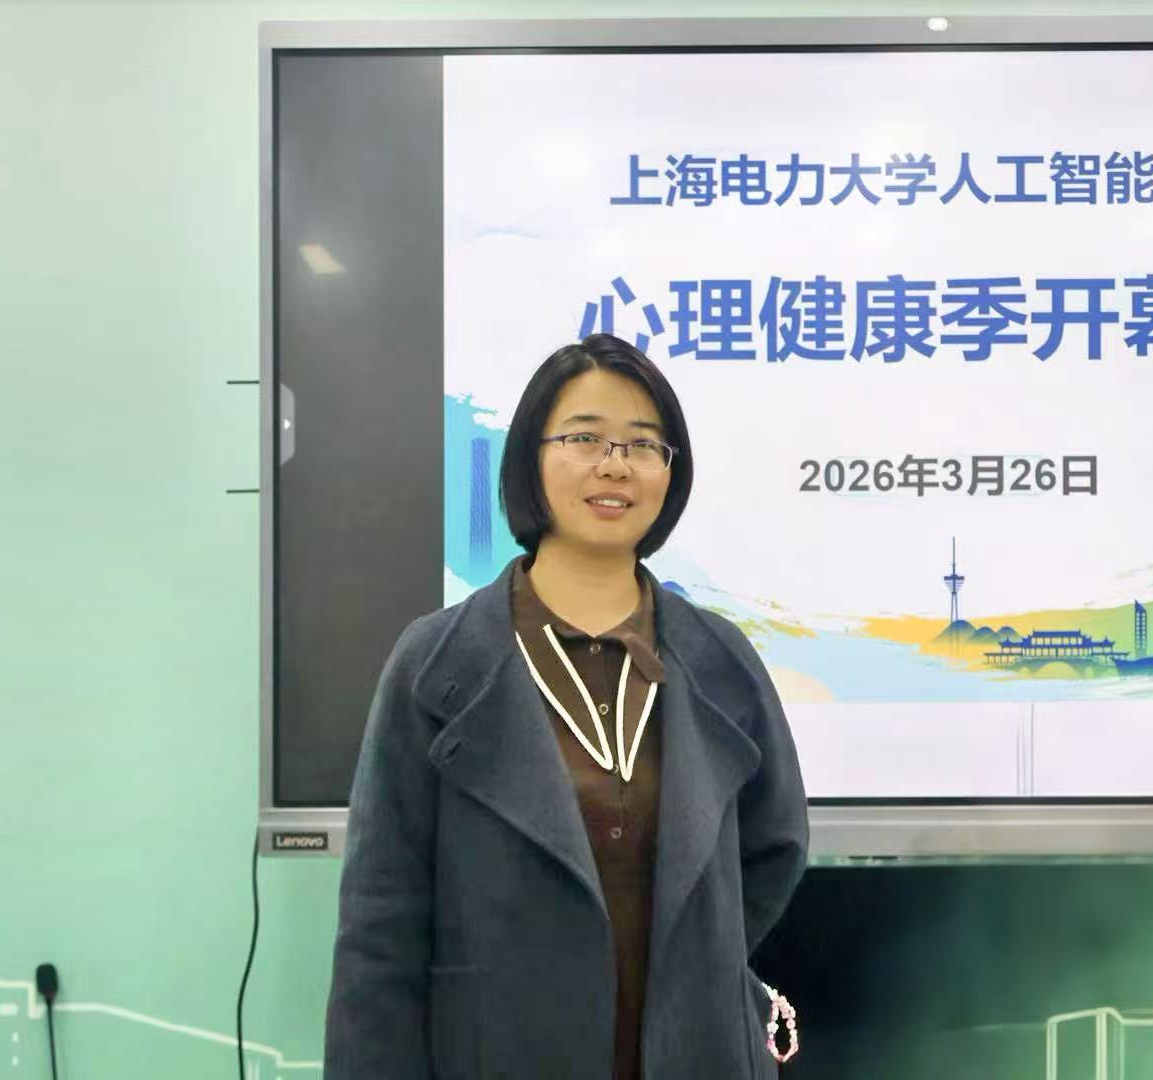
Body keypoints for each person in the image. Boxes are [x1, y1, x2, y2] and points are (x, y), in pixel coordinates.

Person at [324, 333, 809, 1079]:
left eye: (643, 445)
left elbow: (774, 846)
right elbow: (380, 924)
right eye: (584, 438)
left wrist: (692, 965)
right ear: (530, 456)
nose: (615, 464)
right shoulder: (434, 663)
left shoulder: (721, 658)